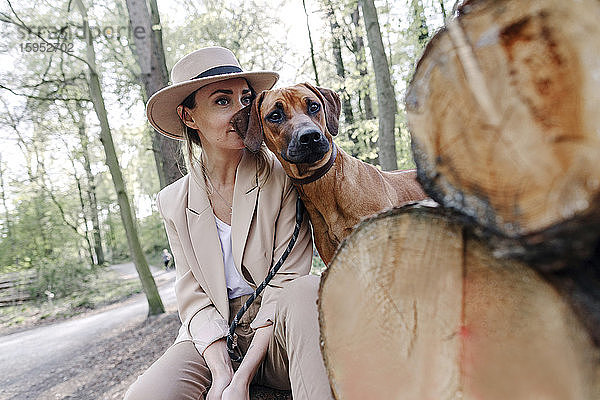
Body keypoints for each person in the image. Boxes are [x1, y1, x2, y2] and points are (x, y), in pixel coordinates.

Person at [124, 47, 333, 400]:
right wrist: (222, 373)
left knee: (305, 290)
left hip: (277, 329)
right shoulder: (173, 202)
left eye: (246, 98)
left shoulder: (283, 176)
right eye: (223, 101)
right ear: (189, 117)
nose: (241, 111)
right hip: (214, 337)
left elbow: (287, 283)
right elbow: (192, 297)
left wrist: (242, 380)